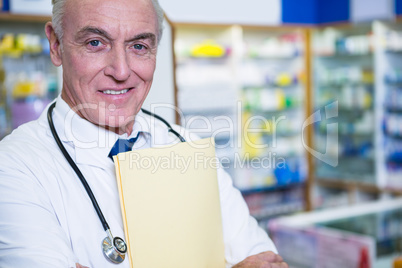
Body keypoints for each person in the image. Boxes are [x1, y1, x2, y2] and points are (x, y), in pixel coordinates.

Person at [0, 0, 288, 267]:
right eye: (95, 43)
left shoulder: (186, 144)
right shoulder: (15, 167)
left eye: (138, 46)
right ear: (55, 44)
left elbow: (264, 259)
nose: (122, 71)